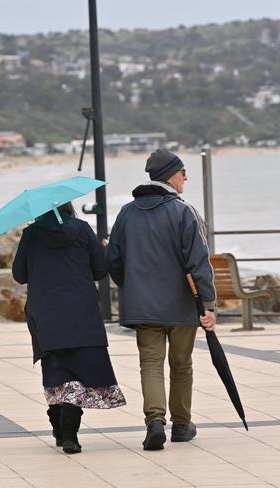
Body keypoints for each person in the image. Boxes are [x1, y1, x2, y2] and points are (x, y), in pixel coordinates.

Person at [107, 148, 216, 451]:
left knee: (150, 364)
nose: (186, 178)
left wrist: (132, 286)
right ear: (171, 175)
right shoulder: (184, 212)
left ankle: (155, 422)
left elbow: (112, 259)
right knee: (181, 364)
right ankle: (181, 425)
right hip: (182, 305)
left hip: (143, 307)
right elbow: (199, 262)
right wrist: (208, 305)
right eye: (183, 172)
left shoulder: (127, 213)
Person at [12, 202, 126, 455]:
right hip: (81, 311)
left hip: (45, 313)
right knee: (80, 373)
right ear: (68, 207)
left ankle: (60, 429)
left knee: (55, 371)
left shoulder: (31, 234)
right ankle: (69, 434)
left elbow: (19, 275)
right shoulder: (83, 229)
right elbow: (100, 270)